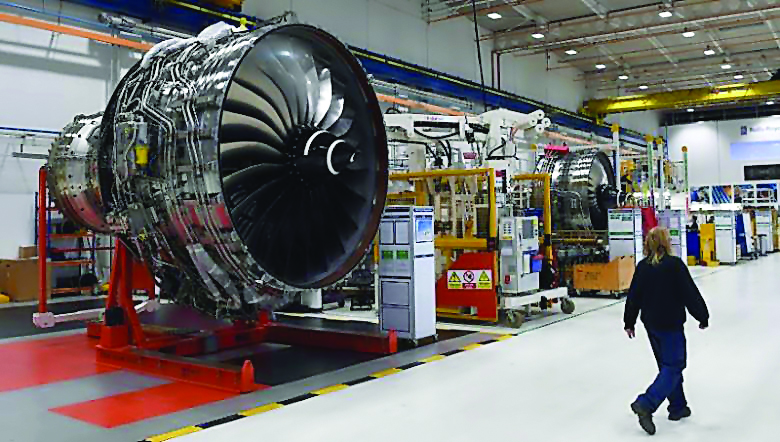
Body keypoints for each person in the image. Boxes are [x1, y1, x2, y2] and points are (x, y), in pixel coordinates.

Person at [624, 227, 709, 435]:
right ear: (667, 243)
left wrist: (629, 321)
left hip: (651, 324)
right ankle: (646, 403)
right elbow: (690, 293)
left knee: (668, 366)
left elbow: (633, 296)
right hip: (670, 324)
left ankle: (678, 407)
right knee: (675, 364)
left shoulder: (643, 267)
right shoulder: (674, 266)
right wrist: (702, 315)